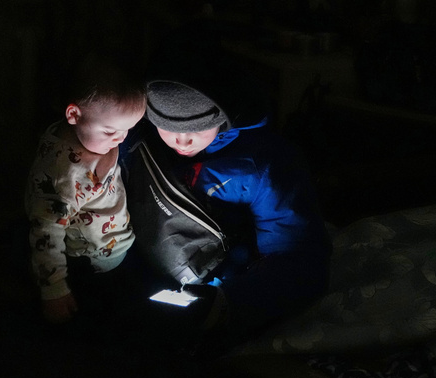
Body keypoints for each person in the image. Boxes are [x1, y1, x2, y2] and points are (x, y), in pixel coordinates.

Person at [120, 42, 332, 343]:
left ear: (224, 115)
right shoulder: (133, 138)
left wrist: (227, 303)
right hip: (140, 286)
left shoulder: (264, 164)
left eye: (196, 128)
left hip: (221, 294)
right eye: (166, 126)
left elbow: (300, 259)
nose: (181, 140)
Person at [23, 55, 147, 325]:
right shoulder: (63, 176)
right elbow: (45, 231)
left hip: (117, 245)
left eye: (128, 129)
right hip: (90, 263)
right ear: (73, 115)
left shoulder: (89, 134)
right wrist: (54, 290)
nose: (120, 139)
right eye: (111, 131)